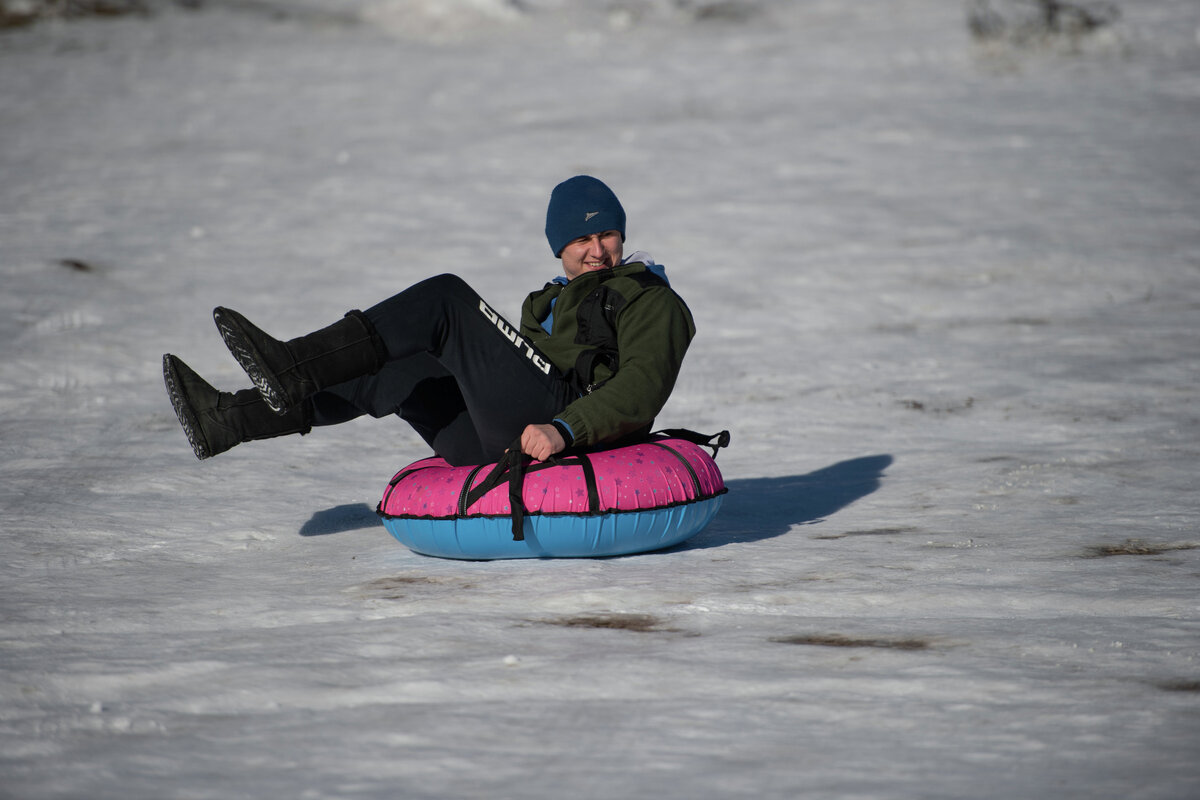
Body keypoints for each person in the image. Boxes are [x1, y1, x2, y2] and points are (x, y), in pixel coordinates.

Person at [163, 175, 696, 467]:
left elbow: (640, 391)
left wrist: (563, 430)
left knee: (447, 299)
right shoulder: (548, 302)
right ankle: (228, 419)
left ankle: (292, 364)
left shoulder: (649, 299)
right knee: (396, 364)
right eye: (581, 239)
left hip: (570, 425)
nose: (597, 250)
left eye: (606, 235)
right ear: (560, 247)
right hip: (498, 440)